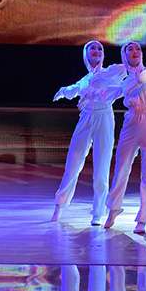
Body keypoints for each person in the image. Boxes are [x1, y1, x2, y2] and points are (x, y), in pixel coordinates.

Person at [51, 40, 125, 225]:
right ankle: (59, 205)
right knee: (73, 163)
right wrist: (63, 91)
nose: (96, 50)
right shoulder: (84, 79)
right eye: (92, 48)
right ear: (86, 54)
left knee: (102, 167)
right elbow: (75, 89)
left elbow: (130, 69)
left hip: (104, 118)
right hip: (85, 118)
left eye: (100, 48)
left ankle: (98, 212)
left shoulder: (112, 71)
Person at [103, 41, 146, 234]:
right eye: (129, 49)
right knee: (121, 168)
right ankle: (113, 208)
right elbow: (123, 89)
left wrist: (145, 75)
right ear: (124, 55)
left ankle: (143, 219)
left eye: (137, 48)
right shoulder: (124, 80)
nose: (135, 51)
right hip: (132, 121)